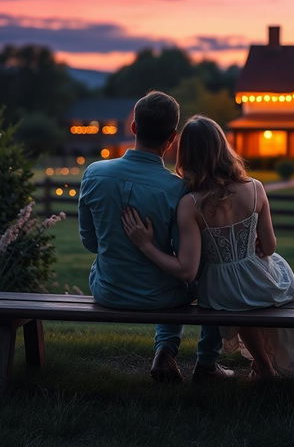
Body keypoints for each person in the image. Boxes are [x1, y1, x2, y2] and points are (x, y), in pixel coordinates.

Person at [122, 115, 294, 380]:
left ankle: (263, 365)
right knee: (287, 282)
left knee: (241, 304)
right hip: (259, 283)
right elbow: (268, 246)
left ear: (186, 155)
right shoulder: (255, 188)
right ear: (223, 147)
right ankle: (265, 365)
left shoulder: (191, 203)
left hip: (220, 292)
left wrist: (145, 245)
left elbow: (186, 270)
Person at [78, 92, 233, 383]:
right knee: (210, 274)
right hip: (163, 297)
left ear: (134, 127)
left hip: (108, 290)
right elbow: (187, 264)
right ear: (172, 138)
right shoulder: (178, 190)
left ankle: (166, 351)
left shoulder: (94, 174)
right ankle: (174, 351)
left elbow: (90, 243)